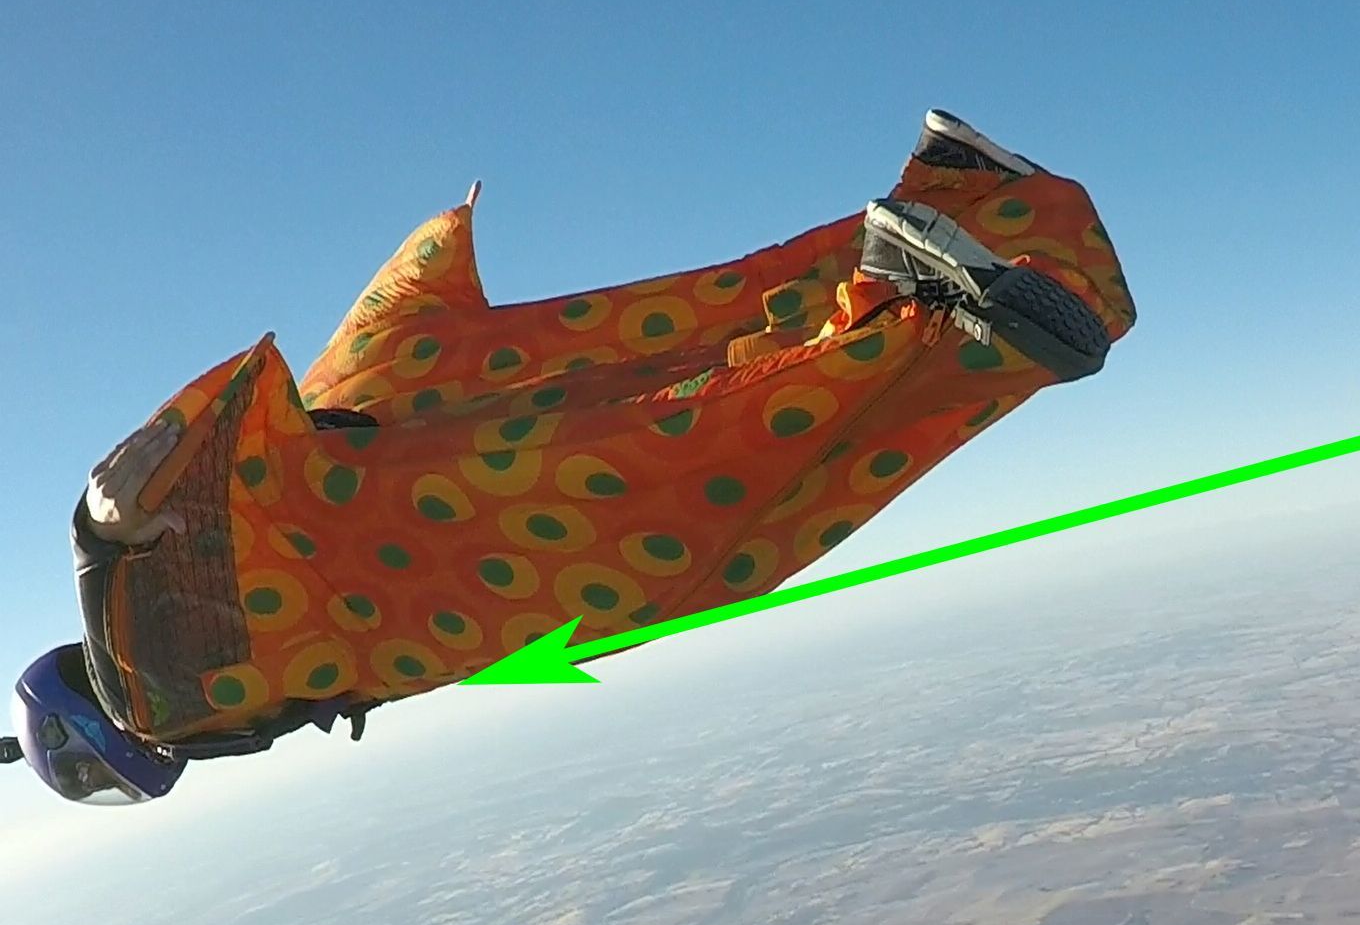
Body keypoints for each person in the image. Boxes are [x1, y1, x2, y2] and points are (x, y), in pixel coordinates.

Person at [3, 110, 1131, 806]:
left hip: (418, 552)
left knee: (689, 513)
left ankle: (925, 313)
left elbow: (136, 604)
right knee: (671, 347)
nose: (127, 777)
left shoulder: (163, 685)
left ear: (90, 726)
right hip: (389, 423)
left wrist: (106, 553)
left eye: (97, 775)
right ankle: (959, 195)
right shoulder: (188, 639)